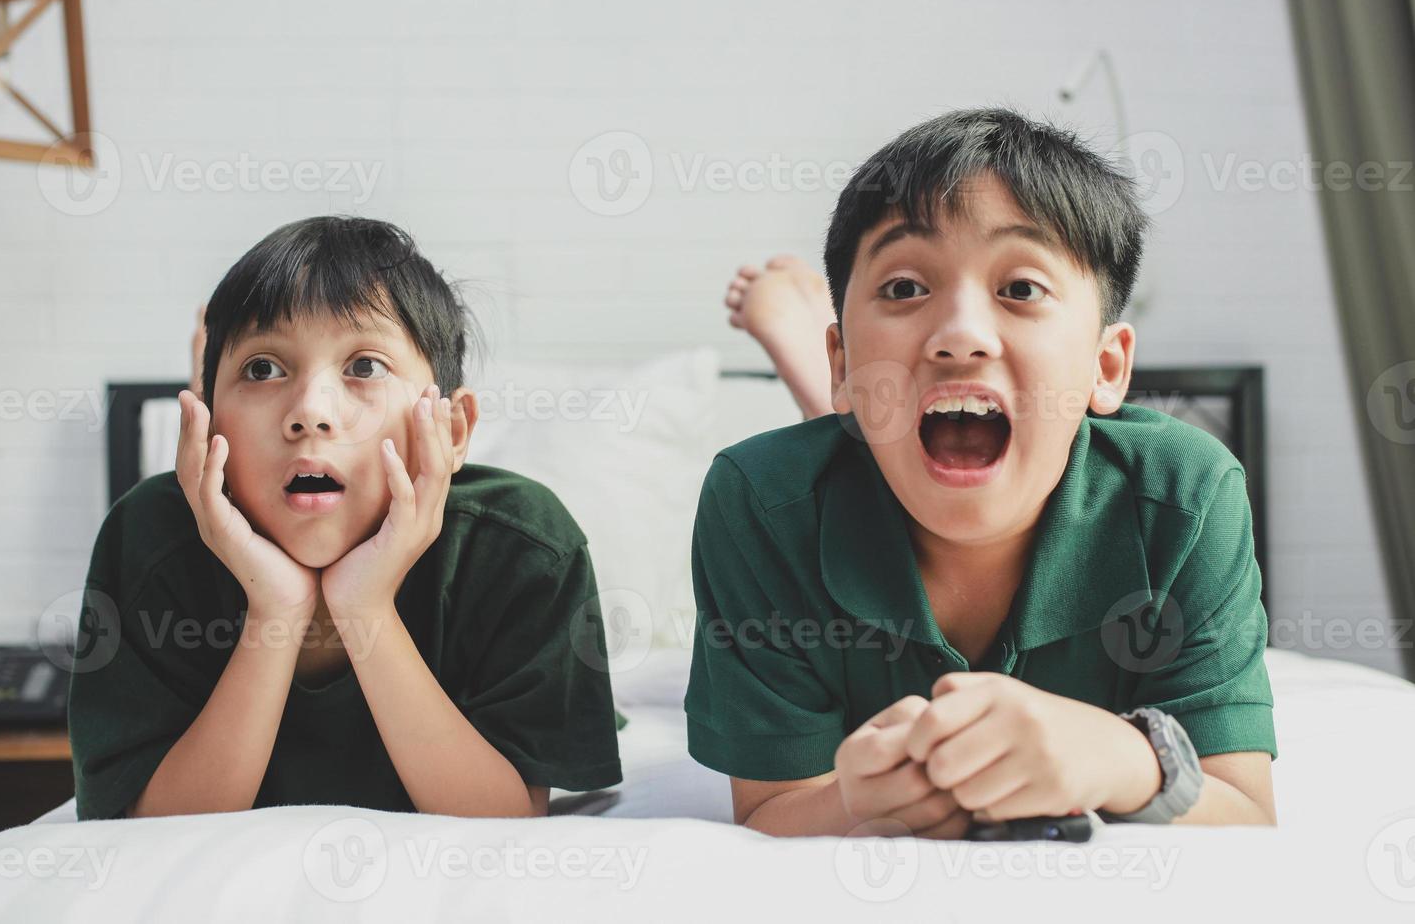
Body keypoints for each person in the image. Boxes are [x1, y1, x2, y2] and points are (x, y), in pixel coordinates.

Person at [689, 108, 1277, 837]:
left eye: (1021, 289)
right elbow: (772, 805)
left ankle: (827, 379)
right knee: (855, 442)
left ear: (1107, 365)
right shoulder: (759, 501)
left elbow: (1243, 811)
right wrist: (854, 801)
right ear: (841, 358)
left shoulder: (1185, 496)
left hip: (870, 417)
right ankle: (826, 389)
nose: (961, 335)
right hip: (837, 450)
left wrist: (1123, 756)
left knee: (882, 419)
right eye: (905, 288)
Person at [70, 216, 622, 818]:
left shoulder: (525, 544)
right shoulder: (151, 537)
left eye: (364, 366)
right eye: (262, 369)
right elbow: (151, 831)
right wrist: (275, 611)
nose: (310, 412)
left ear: (453, 427)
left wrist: (365, 608)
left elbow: (506, 821)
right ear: (205, 422)